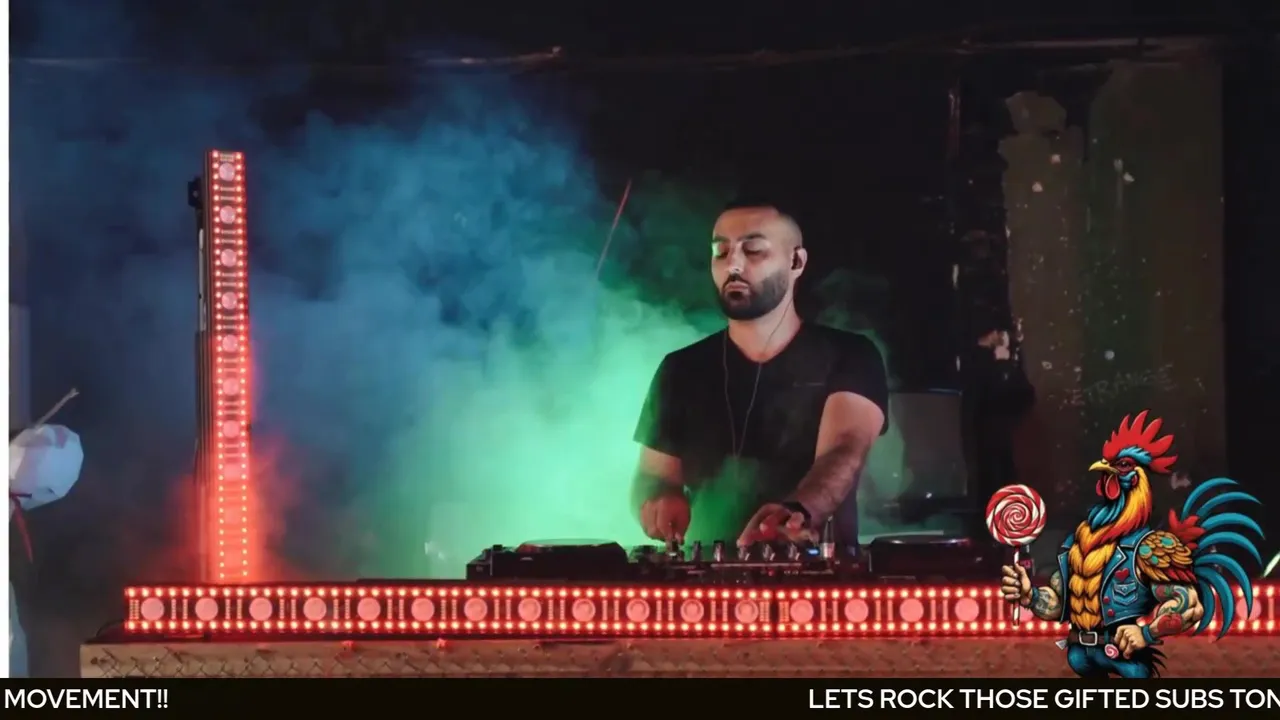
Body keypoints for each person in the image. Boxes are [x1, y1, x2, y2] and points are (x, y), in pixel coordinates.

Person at [630, 203, 889, 550]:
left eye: (753, 250)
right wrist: (657, 499)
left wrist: (797, 513)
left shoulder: (851, 355)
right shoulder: (681, 368)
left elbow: (845, 449)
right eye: (721, 252)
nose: (733, 265)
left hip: (817, 573)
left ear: (796, 262)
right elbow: (652, 476)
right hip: (704, 575)